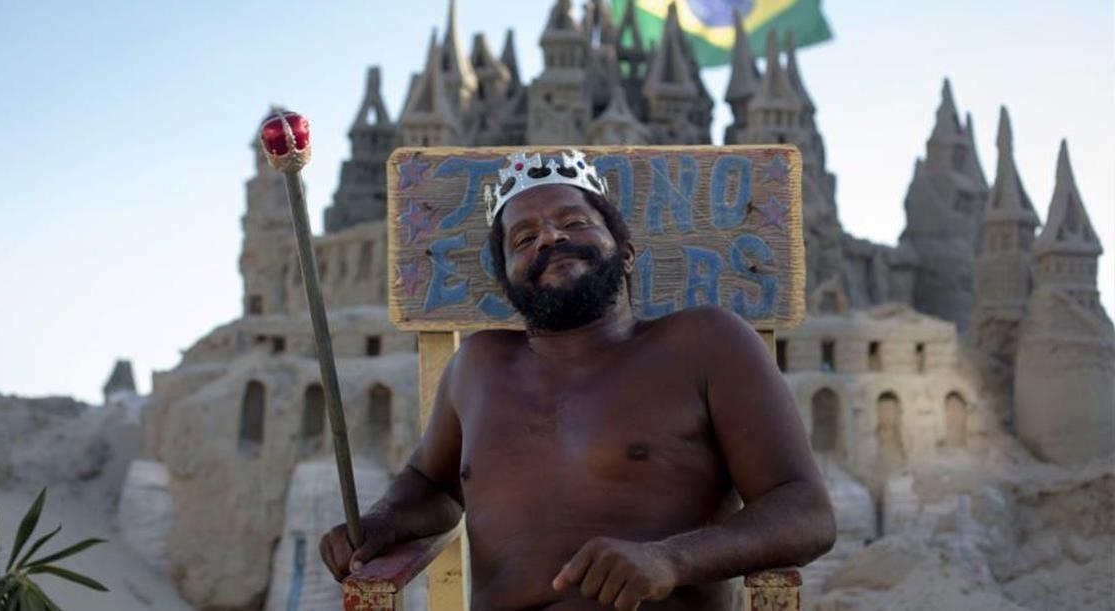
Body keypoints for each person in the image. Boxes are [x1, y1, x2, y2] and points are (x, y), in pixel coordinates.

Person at [320, 150, 835, 610]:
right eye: (524, 238)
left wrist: (670, 560)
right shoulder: (476, 366)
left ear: (626, 253)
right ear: (508, 283)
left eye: (574, 221)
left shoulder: (705, 343)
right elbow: (432, 486)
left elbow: (805, 511)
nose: (550, 236)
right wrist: (384, 521)